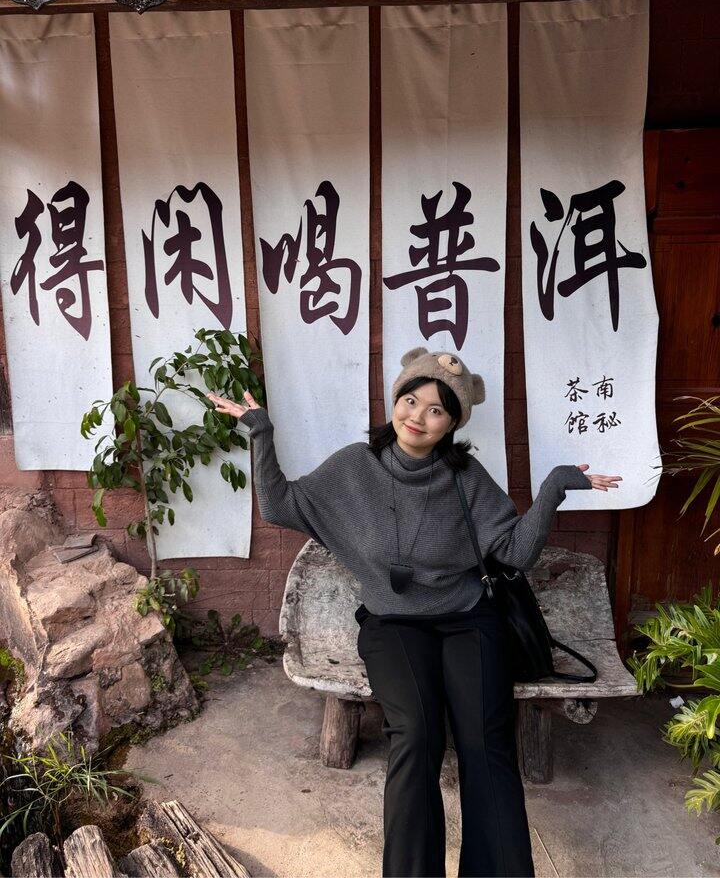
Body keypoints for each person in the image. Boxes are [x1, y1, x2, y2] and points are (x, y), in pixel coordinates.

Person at [207, 346, 622, 878]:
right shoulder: (355, 467)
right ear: (395, 399)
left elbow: (516, 554)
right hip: (393, 624)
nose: (417, 417)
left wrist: (552, 489)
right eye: (411, 400)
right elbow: (279, 505)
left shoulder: (465, 477)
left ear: (452, 423)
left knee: (485, 741)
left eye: (436, 410)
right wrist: (260, 433)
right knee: (416, 734)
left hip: (469, 618)